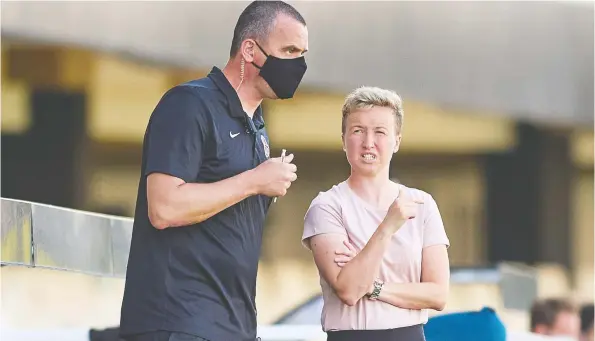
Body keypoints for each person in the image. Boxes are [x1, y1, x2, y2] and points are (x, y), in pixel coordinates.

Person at [118, 2, 308, 341]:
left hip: (232, 327)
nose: (298, 64)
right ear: (250, 49)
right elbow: (163, 207)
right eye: (289, 50)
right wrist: (253, 181)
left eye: (302, 53)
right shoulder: (189, 104)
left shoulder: (257, 127)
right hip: (177, 323)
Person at [301, 86, 451, 341]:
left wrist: (372, 286)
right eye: (357, 131)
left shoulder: (421, 204)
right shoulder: (327, 206)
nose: (368, 142)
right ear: (343, 139)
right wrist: (388, 226)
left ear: (397, 141)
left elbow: (438, 295)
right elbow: (348, 290)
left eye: (380, 132)